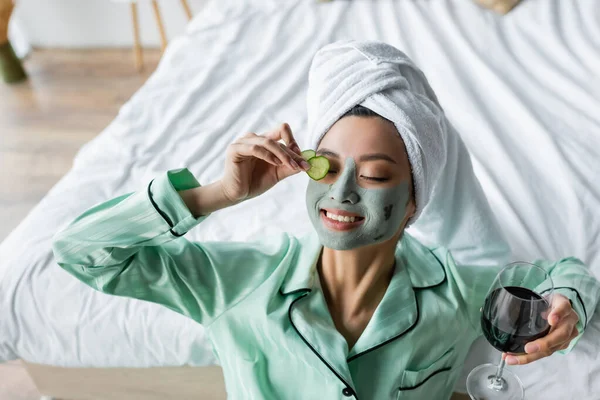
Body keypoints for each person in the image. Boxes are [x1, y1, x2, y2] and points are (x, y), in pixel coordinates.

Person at [52, 41, 600, 400]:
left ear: (415, 201)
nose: (341, 191)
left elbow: (565, 274)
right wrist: (215, 194)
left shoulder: (456, 289)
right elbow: (80, 250)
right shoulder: (239, 280)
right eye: (327, 165)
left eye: (376, 175)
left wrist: (568, 305)